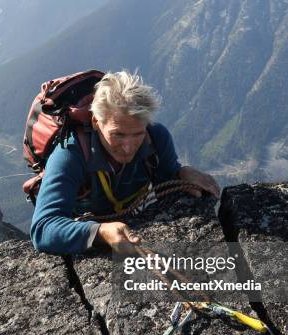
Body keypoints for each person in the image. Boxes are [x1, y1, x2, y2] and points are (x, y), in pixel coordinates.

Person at [30, 70, 220, 254]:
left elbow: (166, 179)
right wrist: (100, 232)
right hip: (85, 221)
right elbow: (43, 228)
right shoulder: (70, 154)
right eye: (118, 135)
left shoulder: (156, 138)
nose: (128, 147)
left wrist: (181, 173)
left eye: (137, 134)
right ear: (96, 122)